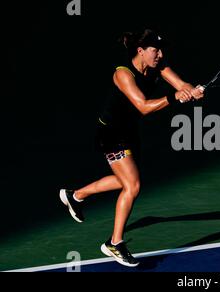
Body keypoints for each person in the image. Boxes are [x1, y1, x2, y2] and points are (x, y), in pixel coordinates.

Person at [59, 28, 204, 267]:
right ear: (140, 51)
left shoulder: (159, 65)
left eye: (160, 50)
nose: (159, 54)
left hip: (129, 132)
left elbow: (181, 84)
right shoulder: (123, 74)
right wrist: (174, 98)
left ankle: (76, 196)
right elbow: (144, 107)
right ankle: (114, 243)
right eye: (154, 50)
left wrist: (192, 91)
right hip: (111, 133)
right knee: (133, 185)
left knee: (123, 180)